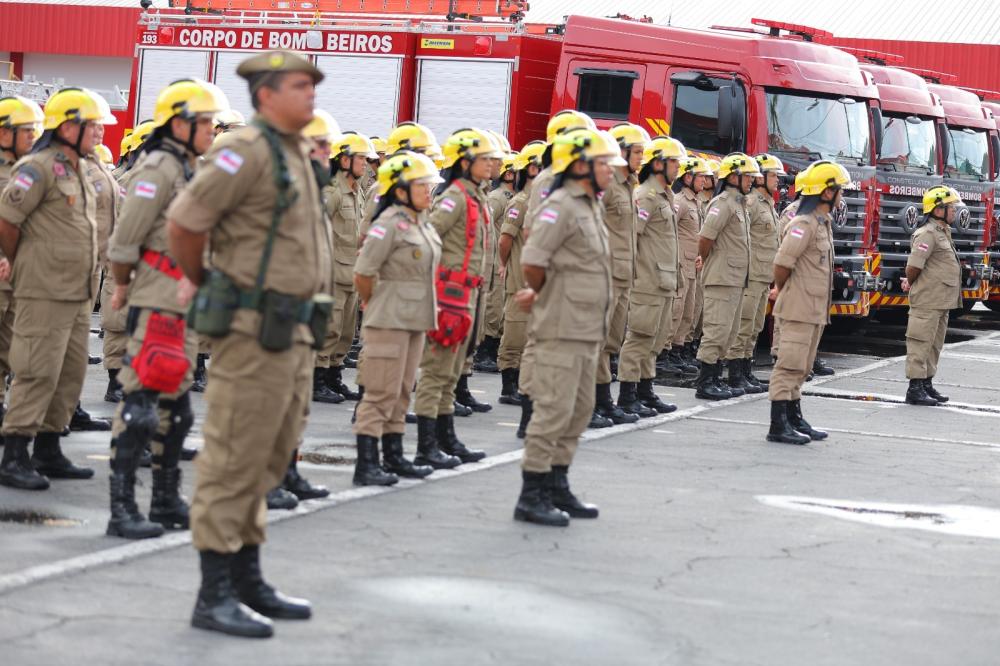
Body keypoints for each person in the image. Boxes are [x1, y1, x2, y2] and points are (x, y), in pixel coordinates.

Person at [167, 51, 327, 639]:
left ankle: (247, 577)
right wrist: (209, 282)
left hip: (292, 333)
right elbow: (185, 222)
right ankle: (213, 593)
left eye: (312, 84)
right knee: (233, 457)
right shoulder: (246, 151)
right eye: (298, 85)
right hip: (251, 332)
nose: (310, 94)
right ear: (265, 95)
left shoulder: (292, 152)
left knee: (268, 454)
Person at [104, 78, 228, 539]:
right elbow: (124, 241)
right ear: (180, 123)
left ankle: (164, 499)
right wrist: (121, 287)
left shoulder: (188, 169)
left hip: (184, 303)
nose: (212, 130)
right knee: (139, 406)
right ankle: (122, 509)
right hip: (156, 298)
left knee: (178, 412)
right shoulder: (157, 169)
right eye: (205, 122)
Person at [0, 88, 113, 490]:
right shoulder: (37, 168)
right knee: (36, 371)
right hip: (43, 290)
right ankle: (14, 454)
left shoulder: (80, 166)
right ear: (68, 126)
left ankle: (48, 449)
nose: (100, 132)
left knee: (68, 374)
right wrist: (23, 262)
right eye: (94, 125)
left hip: (78, 292)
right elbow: (8, 220)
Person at [513, 127, 617, 527]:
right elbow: (533, 260)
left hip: (588, 327)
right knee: (553, 410)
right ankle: (532, 493)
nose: (611, 170)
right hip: (561, 325)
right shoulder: (560, 205)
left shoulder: (590, 204)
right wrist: (542, 293)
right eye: (604, 163)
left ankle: (558, 484)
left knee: (579, 410)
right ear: (579, 164)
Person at [352, 151, 443, 485]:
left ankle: (393, 456)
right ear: (401, 190)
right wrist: (373, 302)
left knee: (403, 391)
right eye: (422, 186)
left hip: (416, 320)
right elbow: (363, 272)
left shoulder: (421, 221)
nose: (428, 192)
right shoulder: (388, 223)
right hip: (389, 318)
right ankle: (367, 464)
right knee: (380, 392)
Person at [412, 128, 502, 466]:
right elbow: (428, 235)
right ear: (464, 162)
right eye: (484, 159)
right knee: (436, 371)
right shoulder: (455, 197)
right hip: (449, 294)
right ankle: (426, 445)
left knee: (451, 371)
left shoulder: (477, 194)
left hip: (469, 293)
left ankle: (446, 437)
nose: (492, 163)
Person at [767, 161, 848, 444]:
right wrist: (784, 290)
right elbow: (782, 263)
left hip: (814, 309)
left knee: (802, 366)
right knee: (789, 365)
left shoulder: (822, 223)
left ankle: (794, 416)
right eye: (838, 190)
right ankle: (778, 424)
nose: (841, 196)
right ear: (825, 193)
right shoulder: (803, 223)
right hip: (799, 307)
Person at [616, 135, 684, 417]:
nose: (678, 169)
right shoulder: (645, 195)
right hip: (647, 281)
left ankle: (645, 391)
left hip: (664, 280)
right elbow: (632, 238)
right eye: (674, 163)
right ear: (658, 164)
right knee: (639, 338)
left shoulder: (663, 195)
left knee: (654, 340)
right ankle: (627, 395)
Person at [593, 122, 647, 426]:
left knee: (612, 342)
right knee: (598, 341)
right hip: (607, 274)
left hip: (625, 275)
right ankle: (593, 403)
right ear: (622, 150)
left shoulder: (629, 186)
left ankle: (605, 401)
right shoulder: (609, 185)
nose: (641, 157)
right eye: (637, 151)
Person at [319, 131, 379, 404]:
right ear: (344, 159)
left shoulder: (358, 192)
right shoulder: (331, 192)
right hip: (331, 273)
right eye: (361, 158)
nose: (366, 163)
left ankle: (334, 376)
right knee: (328, 328)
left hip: (350, 273)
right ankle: (317, 379)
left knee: (344, 332)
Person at [694, 152, 760, 400]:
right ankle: (705, 381)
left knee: (729, 332)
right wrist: (710, 260)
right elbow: (705, 238)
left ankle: (715, 378)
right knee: (716, 330)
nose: (751, 181)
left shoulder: (739, 204)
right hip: (721, 278)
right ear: (733, 176)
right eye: (747, 177)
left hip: (734, 279)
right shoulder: (722, 203)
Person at [0, 96, 43, 428]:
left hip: (16, 272)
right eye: (27, 130)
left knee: (8, 345)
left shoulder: (26, 171)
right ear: (4, 134)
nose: (33, 136)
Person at [726, 153, 785, 394]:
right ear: (761, 178)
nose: (777, 181)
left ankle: (746, 370)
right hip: (749, 275)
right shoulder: (750, 203)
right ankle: (735, 374)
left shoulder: (767, 204)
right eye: (773, 176)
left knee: (755, 326)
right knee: (744, 324)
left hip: (762, 275)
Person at [901, 185, 964, 406]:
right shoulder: (927, 233)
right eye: (951, 207)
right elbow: (914, 267)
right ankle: (915, 388)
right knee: (920, 342)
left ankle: (926, 384)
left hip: (941, 300)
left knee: (934, 344)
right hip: (927, 299)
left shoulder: (942, 232)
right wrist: (910, 281)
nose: (955, 211)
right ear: (938, 210)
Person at [497, 141, 544, 413]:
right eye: (536, 166)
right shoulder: (520, 202)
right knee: (514, 334)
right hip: (518, 280)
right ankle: (507, 386)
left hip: (534, 280)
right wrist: (505, 266)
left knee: (530, 336)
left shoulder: (541, 202)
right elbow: (505, 240)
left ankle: (522, 384)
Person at [663, 157, 711, 377]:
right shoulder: (680, 201)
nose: (705, 180)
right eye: (701, 176)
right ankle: (664, 353)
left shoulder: (697, 202)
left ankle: (677, 352)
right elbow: (669, 230)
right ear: (688, 177)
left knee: (688, 312)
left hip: (693, 264)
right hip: (681, 264)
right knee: (676, 309)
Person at [473, 147, 517, 374]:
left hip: (504, 260)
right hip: (494, 258)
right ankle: (484, 352)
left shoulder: (510, 197)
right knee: (494, 305)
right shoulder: (498, 197)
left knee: (500, 307)